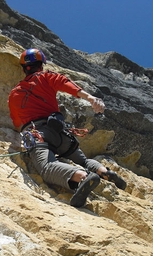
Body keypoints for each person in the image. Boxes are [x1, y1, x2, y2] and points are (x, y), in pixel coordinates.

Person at [8, 48, 126, 207]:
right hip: (61, 133)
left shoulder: (15, 94)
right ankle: (103, 172)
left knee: (47, 168)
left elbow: (17, 123)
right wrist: (91, 98)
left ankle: (83, 177)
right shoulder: (47, 77)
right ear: (41, 66)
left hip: (38, 133)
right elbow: (67, 84)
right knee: (83, 160)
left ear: (24, 69)